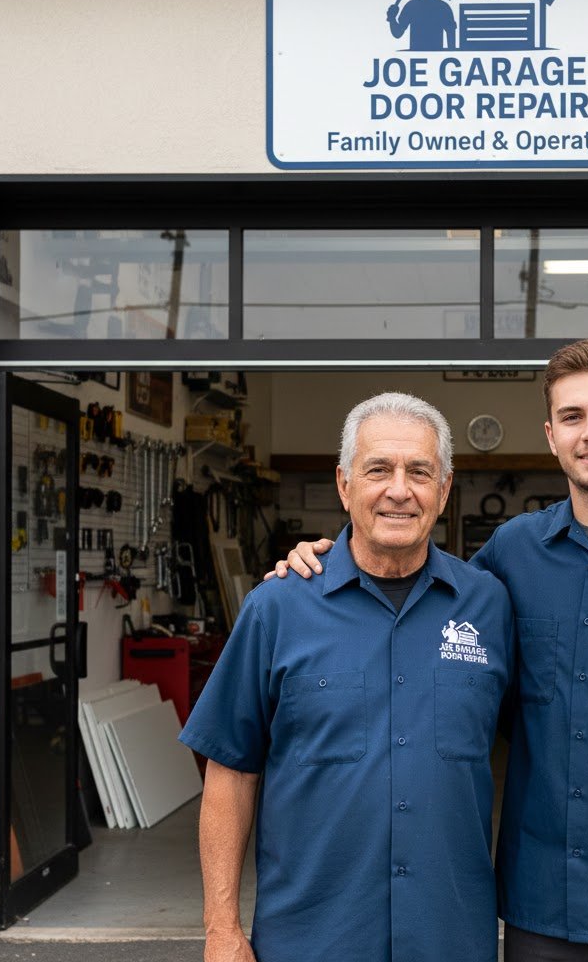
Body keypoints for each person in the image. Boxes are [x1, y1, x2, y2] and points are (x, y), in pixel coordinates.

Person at [271, 339, 588, 962]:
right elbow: (421, 608)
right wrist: (323, 562)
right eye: (573, 417)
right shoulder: (510, 555)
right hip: (540, 912)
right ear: (551, 435)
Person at [181, 393, 514, 962]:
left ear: (445, 489)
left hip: (450, 936)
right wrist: (221, 929)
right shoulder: (278, 607)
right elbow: (230, 772)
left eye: (419, 472)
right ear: (343, 484)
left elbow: (558, 727)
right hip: (312, 938)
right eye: (378, 469)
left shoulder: (489, 605)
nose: (399, 490)